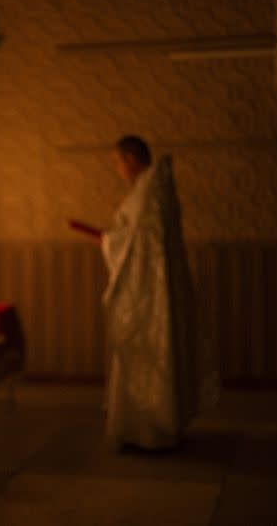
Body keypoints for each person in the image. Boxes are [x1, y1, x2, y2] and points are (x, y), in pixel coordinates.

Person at [101, 135, 217, 451]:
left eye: (118, 162)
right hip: (153, 288)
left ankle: (150, 429)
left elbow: (134, 242)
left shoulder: (149, 192)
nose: (117, 169)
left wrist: (108, 242)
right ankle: (143, 428)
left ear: (131, 159)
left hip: (150, 292)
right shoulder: (152, 190)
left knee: (149, 351)